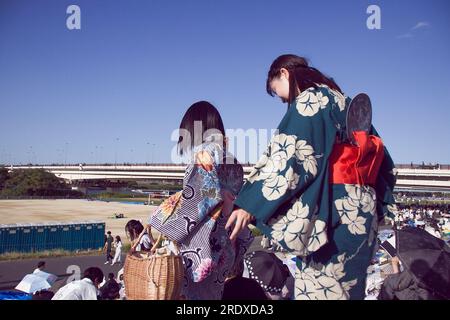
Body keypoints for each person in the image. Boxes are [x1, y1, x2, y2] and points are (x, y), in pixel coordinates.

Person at [226, 54, 397, 300]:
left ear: (284, 73)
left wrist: (250, 203)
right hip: (361, 218)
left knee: (321, 290)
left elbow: (290, 158)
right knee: (350, 291)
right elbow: (384, 162)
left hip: (335, 216)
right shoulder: (345, 101)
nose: (286, 102)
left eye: (281, 94)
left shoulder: (311, 100)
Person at [149, 101, 254, 300]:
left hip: (204, 249)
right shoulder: (230, 158)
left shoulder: (205, 154)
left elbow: (197, 200)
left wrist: (160, 215)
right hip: (225, 247)